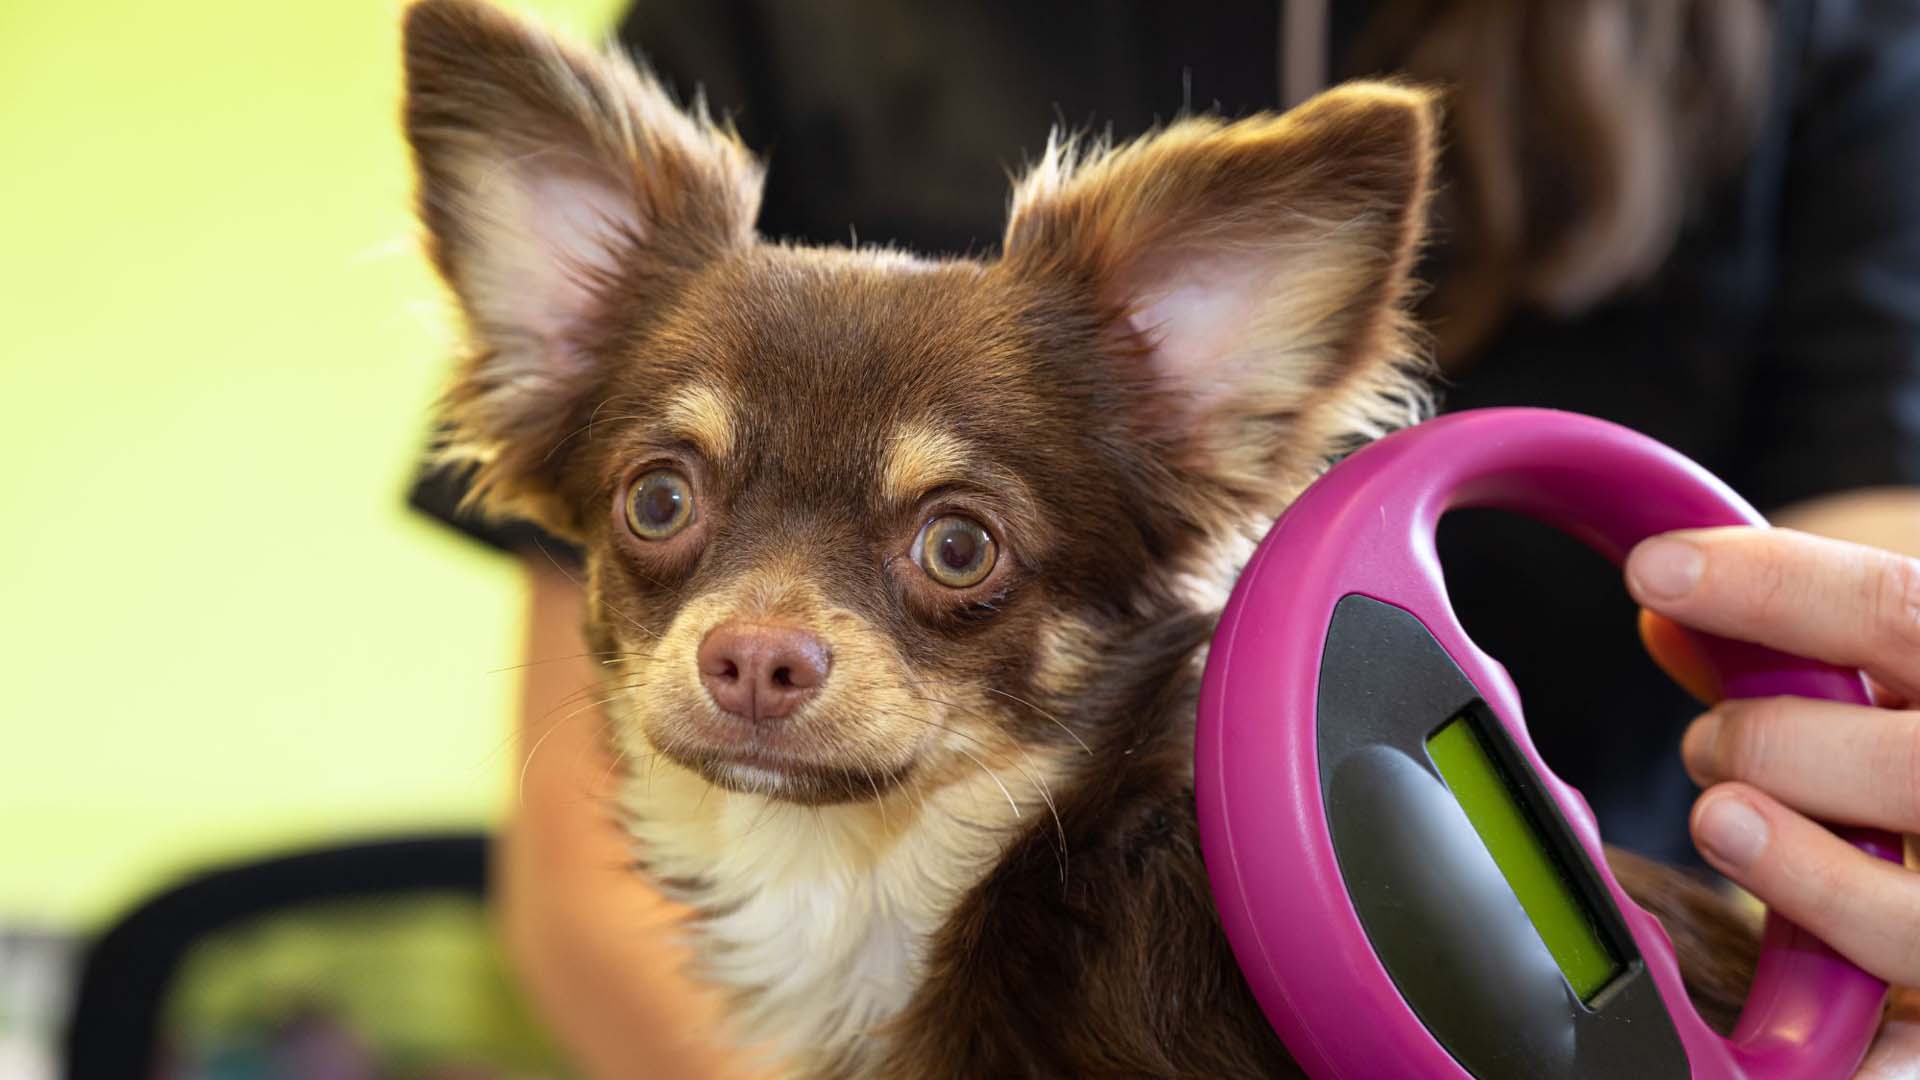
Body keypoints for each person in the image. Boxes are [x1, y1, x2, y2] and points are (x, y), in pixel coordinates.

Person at [407, 0, 1920, 1073]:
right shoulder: (783, 21)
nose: (760, 636)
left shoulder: (1823, 50)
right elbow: (569, 901)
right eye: (665, 505)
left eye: (954, 549)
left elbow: (1873, 631)